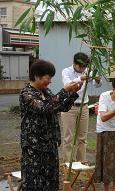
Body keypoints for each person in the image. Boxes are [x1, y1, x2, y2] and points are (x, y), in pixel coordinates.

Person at [19, 59, 81, 191]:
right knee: (35, 182)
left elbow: (60, 107)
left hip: (50, 144)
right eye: (48, 78)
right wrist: (64, 90)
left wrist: (72, 93)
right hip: (34, 147)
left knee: (51, 180)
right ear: (36, 76)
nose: (50, 81)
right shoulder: (26, 94)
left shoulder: (46, 92)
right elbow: (44, 108)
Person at [61, 52, 102, 162]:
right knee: (68, 137)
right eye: (81, 66)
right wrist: (81, 78)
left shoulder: (87, 71)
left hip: (84, 106)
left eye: (85, 66)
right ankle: (68, 164)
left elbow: (97, 85)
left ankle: (81, 163)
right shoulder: (66, 71)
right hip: (69, 107)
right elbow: (68, 85)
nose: (83, 68)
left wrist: (97, 80)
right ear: (74, 63)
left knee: (82, 138)